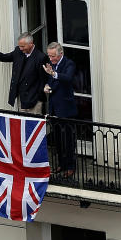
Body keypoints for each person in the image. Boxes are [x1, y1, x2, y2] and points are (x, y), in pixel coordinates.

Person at [0, 32, 50, 113]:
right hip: (21, 97)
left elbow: (43, 79)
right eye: (19, 46)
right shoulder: (18, 51)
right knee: (22, 122)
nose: (20, 48)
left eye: (23, 46)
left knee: (33, 123)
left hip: (34, 99)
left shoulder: (41, 57)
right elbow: (5, 57)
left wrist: (39, 96)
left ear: (31, 44)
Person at [43, 42, 79, 177]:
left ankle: (70, 166)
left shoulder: (69, 64)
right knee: (58, 140)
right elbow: (51, 80)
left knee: (68, 140)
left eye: (53, 57)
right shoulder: (51, 64)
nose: (51, 59)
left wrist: (54, 74)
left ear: (61, 54)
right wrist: (47, 85)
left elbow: (68, 78)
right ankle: (61, 164)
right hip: (54, 108)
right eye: (50, 56)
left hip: (66, 109)